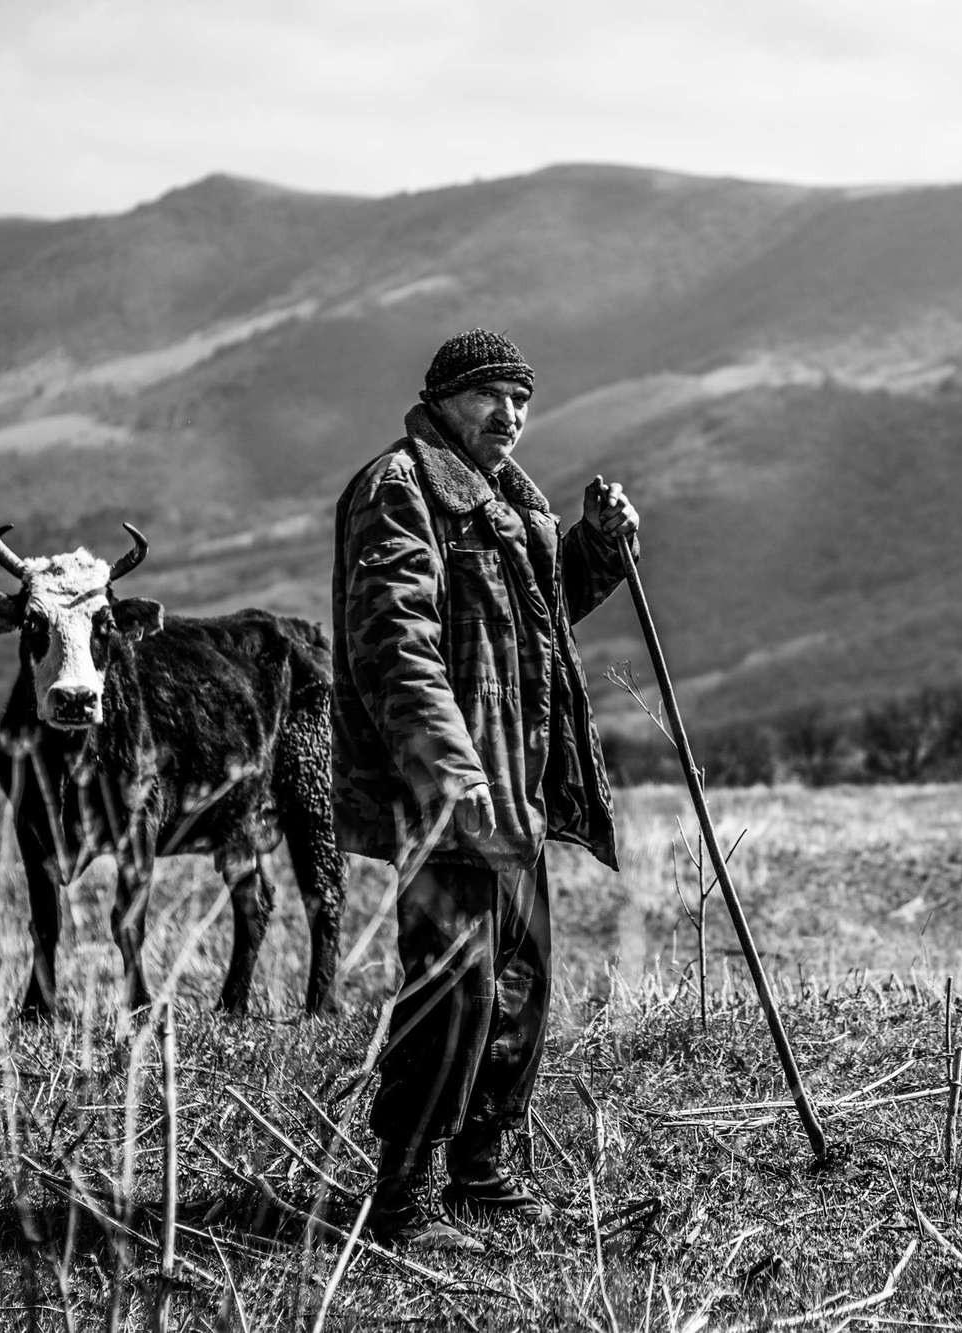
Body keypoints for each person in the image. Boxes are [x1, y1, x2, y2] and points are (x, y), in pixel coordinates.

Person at [329, 328, 638, 1247]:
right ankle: (403, 1193)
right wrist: (453, 774)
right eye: (488, 397)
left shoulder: (506, 497)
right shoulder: (402, 489)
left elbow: (540, 612)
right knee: (453, 987)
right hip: (453, 793)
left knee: (520, 983)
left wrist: (598, 546)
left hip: (517, 787)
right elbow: (397, 646)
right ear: (443, 402)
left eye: (521, 400)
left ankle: (482, 1169)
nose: (509, 415)